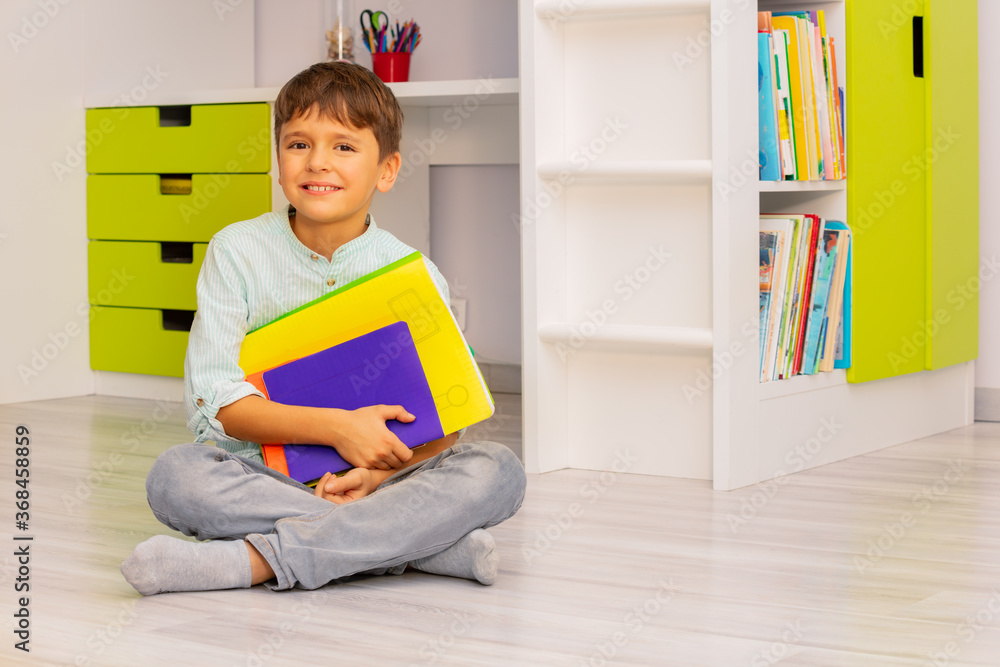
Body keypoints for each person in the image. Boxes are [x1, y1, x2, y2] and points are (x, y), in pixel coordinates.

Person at [120, 62, 526, 595]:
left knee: (498, 470)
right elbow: (217, 402)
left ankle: (255, 563)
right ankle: (418, 546)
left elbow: (446, 416)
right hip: (259, 474)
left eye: (343, 147)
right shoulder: (236, 251)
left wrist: (377, 477)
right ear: (278, 157)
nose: (317, 162)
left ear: (386, 168)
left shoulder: (416, 273)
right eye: (297, 144)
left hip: (383, 478)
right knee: (176, 477)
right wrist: (340, 428)